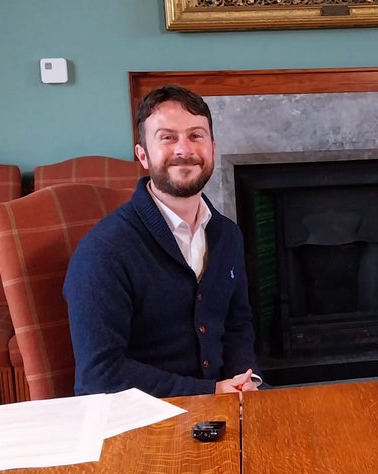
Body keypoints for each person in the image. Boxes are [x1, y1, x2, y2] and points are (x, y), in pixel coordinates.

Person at [63, 86, 259, 397]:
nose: (185, 149)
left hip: (223, 403)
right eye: (167, 137)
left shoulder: (227, 235)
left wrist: (245, 381)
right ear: (142, 155)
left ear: (212, 147)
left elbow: (238, 327)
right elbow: (100, 374)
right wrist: (209, 391)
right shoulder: (104, 251)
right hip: (141, 418)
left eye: (196, 136)